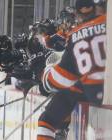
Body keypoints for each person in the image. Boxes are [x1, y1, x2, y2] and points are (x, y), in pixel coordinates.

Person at [29, 0, 106, 139]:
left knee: (47, 119)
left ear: (78, 14)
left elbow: (61, 79)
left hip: (93, 92)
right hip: (100, 90)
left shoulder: (76, 35)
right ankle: (62, 129)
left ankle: (60, 129)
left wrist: (43, 72)